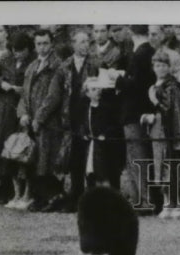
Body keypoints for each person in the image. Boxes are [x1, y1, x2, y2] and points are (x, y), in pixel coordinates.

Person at [18, 28, 66, 212]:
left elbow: (53, 97)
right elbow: (24, 94)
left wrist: (39, 118)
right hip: (30, 121)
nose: (42, 47)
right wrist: (23, 114)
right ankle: (38, 197)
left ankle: (51, 197)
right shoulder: (31, 67)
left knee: (47, 160)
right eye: (38, 44)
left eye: (45, 43)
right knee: (33, 159)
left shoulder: (57, 66)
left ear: (51, 43)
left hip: (49, 122)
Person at [0, 30, 34, 206]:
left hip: (24, 109)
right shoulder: (6, 58)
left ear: (28, 49)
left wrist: (22, 89)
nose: (17, 53)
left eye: (21, 50)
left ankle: (27, 194)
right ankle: (14, 193)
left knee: (25, 152)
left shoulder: (33, 61)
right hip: (6, 110)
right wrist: (3, 84)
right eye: (15, 50)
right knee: (9, 150)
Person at [114, 25, 156, 213]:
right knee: (137, 155)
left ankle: (143, 199)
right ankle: (140, 197)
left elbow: (136, 84)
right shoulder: (149, 52)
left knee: (136, 155)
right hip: (141, 111)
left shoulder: (140, 54)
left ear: (131, 33)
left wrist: (118, 79)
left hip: (134, 112)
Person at [143, 49, 180, 218]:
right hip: (158, 131)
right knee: (160, 165)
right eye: (157, 65)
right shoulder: (155, 86)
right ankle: (167, 202)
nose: (160, 68)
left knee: (172, 166)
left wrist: (155, 101)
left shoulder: (171, 87)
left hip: (170, 131)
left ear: (169, 67)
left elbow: (170, 110)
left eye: (163, 65)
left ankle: (178, 203)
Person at [60, 29, 100, 212]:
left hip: (89, 115)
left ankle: (91, 198)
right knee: (74, 158)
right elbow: (57, 93)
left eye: (87, 42)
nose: (85, 45)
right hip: (71, 116)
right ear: (73, 44)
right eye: (81, 42)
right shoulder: (65, 66)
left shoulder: (95, 64)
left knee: (90, 157)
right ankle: (75, 196)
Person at [78, 77, 125, 189]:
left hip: (107, 148)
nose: (98, 91)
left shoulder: (107, 107)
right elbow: (82, 124)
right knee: (91, 173)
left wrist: (106, 135)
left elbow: (115, 126)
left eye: (99, 88)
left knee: (107, 175)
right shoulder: (86, 108)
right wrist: (84, 133)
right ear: (87, 93)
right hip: (92, 147)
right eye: (94, 89)